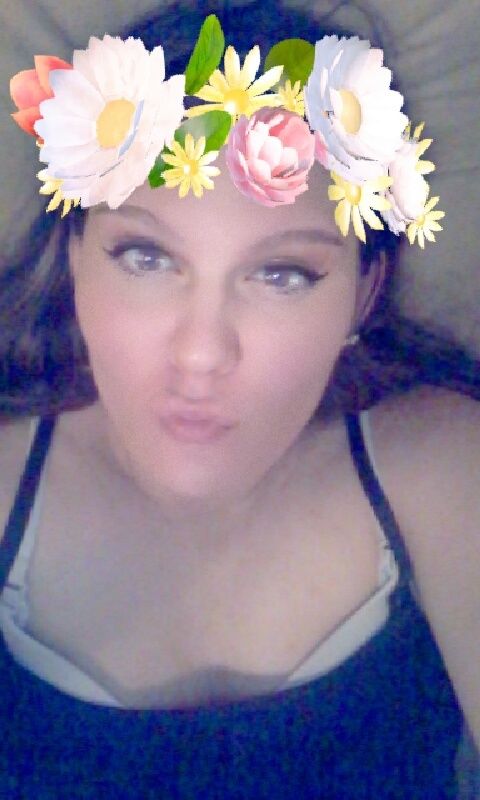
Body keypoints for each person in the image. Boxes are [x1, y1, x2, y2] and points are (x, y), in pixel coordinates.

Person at [1, 0, 479, 797]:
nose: (201, 353)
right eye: (146, 257)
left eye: (282, 275)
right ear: (74, 257)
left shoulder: (442, 468)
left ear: (362, 298)